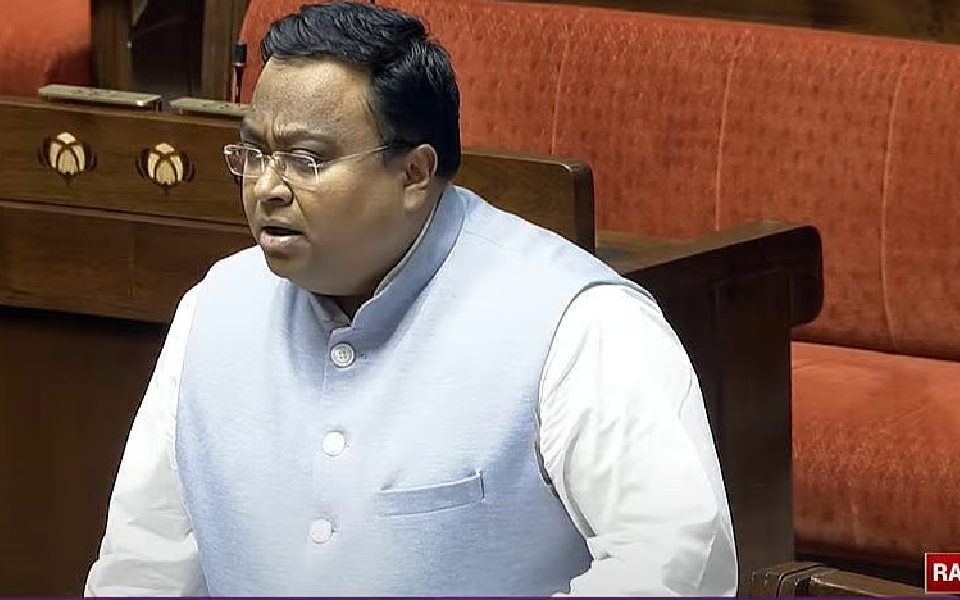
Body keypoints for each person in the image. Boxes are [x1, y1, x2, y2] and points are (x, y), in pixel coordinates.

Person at [84, 2, 737, 596]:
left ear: (414, 173)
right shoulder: (215, 306)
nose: (267, 188)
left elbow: (673, 564)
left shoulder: (579, 323)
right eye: (255, 154)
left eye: (306, 160)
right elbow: (144, 563)